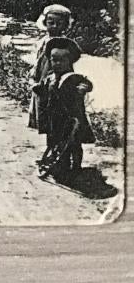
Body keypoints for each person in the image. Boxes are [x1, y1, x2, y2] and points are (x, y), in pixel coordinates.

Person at [36, 41, 95, 180]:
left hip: (72, 118)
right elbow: (44, 89)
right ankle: (61, 166)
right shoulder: (50, 78)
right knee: (55, 141)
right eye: (54, 60)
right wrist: (38, 88)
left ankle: (76, 167)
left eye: (62, 60)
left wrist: (83, 88)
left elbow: (87, 83)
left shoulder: (74, 77)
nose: (57, 64)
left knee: (74, 143)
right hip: (55, 118)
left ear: (70, 61)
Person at [27, 4, 81, 150]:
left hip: (57, 81)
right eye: (51, 22)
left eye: (59, 23)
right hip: (43, 81)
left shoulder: (64, 43)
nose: (55, 26)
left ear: (66, 25)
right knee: (46, 115)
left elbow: (71, 61)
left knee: (58, 114)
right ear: (45, 23)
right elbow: (39, 61)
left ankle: (61, 146)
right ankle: (50, 147)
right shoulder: (43, 41)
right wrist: (34, 77)